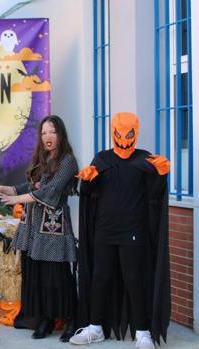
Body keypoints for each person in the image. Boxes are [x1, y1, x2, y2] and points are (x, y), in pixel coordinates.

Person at [70, 112, 170, 349]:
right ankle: (95, 327)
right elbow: (86, 194)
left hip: (133, 232)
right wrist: (87, 180)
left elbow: (155, 197)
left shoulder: (144, 160)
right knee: (100, 278)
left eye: (129, 134)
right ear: (112, 131)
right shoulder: (102, 159)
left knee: (134, 280)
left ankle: (143, 332)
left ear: (136, 132)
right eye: (119, 134)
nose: (124, 140)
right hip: (104, 231)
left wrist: (161, 177)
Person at [0, 115, 78, 342]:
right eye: (44, 133)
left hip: (53, 227)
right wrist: (2, 188)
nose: (47, 137)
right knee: (38, 274)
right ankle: (45, 318)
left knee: (57, 275)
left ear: (60, 134)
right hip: (34, 225)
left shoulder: (67, 161)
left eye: (52, 132)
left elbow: (51, 191)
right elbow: (29, 186)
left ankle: (72, 318)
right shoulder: (42, 160)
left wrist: (18, 201)